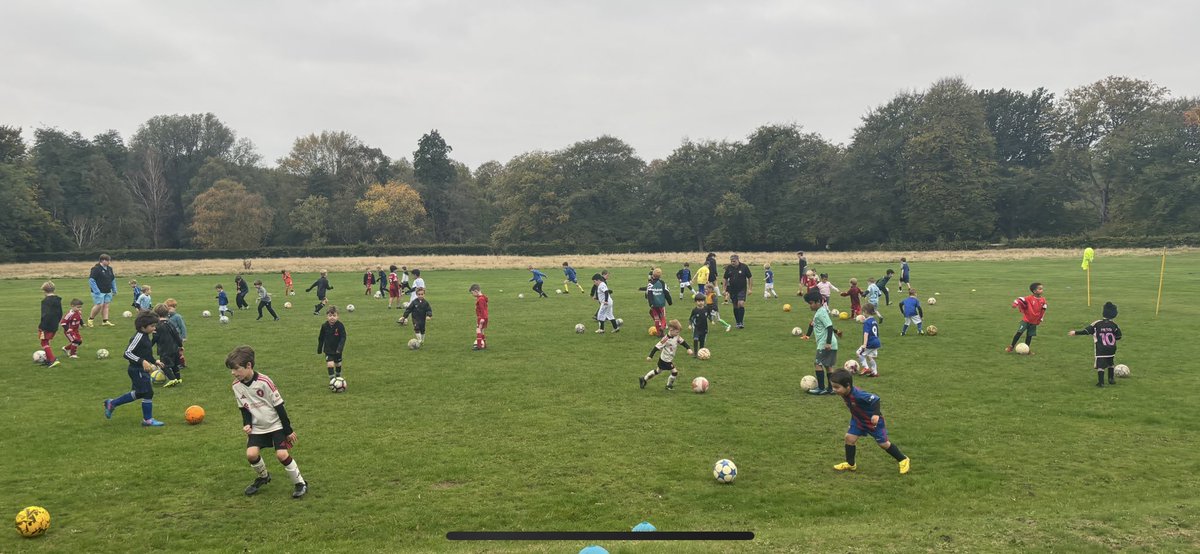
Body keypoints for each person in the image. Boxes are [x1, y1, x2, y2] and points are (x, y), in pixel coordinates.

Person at [227, 345, 308, 498]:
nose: (233, 373)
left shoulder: (265, 382)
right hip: (258, 427)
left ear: (249, 366)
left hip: (276, 425)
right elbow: (244, 408)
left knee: (282, 455)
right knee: (251, 455)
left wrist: (288, 430)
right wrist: (248, 424)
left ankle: (300, 483)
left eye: (236, 369)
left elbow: (280, 407)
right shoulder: (236, 386)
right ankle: (264, 477)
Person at [829, 369, 911, 475]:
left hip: (873, 422)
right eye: (833, 386)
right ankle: (850, 464)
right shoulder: (845, 393)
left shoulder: (859, 394)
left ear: (847, 386)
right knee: (849, 438)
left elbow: (875, 399)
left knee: (883, 444)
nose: (834, 390)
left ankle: (903, 459)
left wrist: (876, 414)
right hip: (858, 421)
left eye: (837, 387)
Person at [103, 312, 166, 426]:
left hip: (141, 370)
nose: (154, 328)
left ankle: (112, 403)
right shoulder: (138, 337)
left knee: (140, 393)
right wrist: (142, 361)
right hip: (136, 370)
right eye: (152, 326)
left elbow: (145, 353)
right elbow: (127, 353)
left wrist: (154, 361)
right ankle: (147, 420)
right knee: (148, 393)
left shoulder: (145, 336)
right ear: (143, 327)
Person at [1069, 301, 1122, 387]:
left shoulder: (1097, 323)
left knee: (1100, 365)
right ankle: (1111, 379)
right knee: (1110, 363)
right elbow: (1119, 336)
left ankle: (1101, 383)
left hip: (1101, 349)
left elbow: (1086, 331)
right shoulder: (1114, 325)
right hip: (1112, 349)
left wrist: (1075, 332)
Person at [802, 290, 840, 395]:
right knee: (828, 365)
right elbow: (812, 324)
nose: (810, 306)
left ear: (818, 302)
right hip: (830, 343)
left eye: (811, 303)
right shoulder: (819, 312)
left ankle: (821, 388)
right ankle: (831, 388)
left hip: (825, 343)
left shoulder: (822, 312)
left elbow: (829, 326)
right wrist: (807, 335)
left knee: (817, 363)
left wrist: (827, 343)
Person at [640, 319, 693, 390]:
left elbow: (683, 342)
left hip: (667, 359)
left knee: (658, 371)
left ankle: (644, 379)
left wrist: (688, 348)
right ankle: (669, 386)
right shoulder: (665, 339)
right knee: (674, 372)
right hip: (665, 360)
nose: (678, 333)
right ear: (671, 330)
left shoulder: (676, 336)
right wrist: (650, 356)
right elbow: (656, 347)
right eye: (677, 332)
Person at [1008, 282, 1047, 353]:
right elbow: (1019, 299)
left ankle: (1027, 350)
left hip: (1034, 321)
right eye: (1040, 289)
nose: (1042, 290)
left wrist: (1040, 318)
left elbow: (1043, 309)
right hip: (1026, 320)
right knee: (1019, 332)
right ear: (1034, 291)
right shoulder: (1029, 298)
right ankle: (1011, 346)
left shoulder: (1043, 300)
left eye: (1042, 289)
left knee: (1029, 336)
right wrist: (1015, 304)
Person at [152, 304, 184, 387]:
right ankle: (178, 378)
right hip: (174, 348)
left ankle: (172, 379)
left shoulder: (157, 326)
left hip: (164, 349)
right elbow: (176, 335)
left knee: (163, 365)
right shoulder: (170, 323)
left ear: (156, 314)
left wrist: (149, 345)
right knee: (175, 365)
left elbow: (155, 337)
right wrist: (180, 345)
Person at [722, 254, 753, 328]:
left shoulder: (744, 267)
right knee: (735, 305)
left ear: (738, 260)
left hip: (742, 289)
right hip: (732, 290)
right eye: (731, 261)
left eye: (734, 261)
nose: (732, 263)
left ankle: (741, 322)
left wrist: (750, 289)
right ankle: (737, 322)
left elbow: (750, 277)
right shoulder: (729, 268)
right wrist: (724, 289)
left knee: (741, 303)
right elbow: (725, 278)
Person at [87, 253, 117, 328]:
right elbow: (91, 280)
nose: (109, 262)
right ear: (103, 260)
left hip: (107, 290)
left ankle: (105, 321)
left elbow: (112, 279)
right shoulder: (96, 269)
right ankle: (90, 319)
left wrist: (114, 289)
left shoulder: (110, 269)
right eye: (108, 260)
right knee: (99, 305)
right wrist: (96, 290)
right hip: (98, 292)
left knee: (106, 305)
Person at [317, 306, 347, 380]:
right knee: (330, 364)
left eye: (334, 316)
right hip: (328, 349)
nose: (332, 317)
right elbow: (321, 338)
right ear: (327, 316)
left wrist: (340, 348)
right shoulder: (324, 326)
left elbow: (343, 337)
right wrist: (319, 348)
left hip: (337, 349)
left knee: (338, 364)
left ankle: (338, 376)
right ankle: (332, 381)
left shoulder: (340, 325)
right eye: (330, 316)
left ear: (337, 316)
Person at [38, 281, 63, 368]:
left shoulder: (45, 301)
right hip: (54, 324)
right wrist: (57, 322)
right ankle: (48, 360)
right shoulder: (58, 300)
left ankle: (52, 360)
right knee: (47, 341)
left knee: (44, 342)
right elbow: (60, 313)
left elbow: (45, 314)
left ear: (44, 291)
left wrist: (42, 326)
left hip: (46, 325)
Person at [644, 268, 672, 335]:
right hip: (661, 304)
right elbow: (666, 293)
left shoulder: (650, 284)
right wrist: (669, 301)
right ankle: (662, 327)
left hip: (654, 304)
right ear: (660, 276)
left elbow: (649, 294)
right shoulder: (663, 283)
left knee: (656, 318)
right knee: (662, 317)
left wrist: (650, 303)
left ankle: (659, 333)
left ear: (652, 276)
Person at [856, 304, 882, 377]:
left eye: (863, 312)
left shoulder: (867, 322)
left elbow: (866, 334)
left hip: (870, 342)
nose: (863, 314)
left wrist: (864, 344)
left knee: (859, 353)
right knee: (870, 356)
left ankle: (866, 368)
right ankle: (875, 372)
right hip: (877, 342)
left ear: (866, 312)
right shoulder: (873, 320)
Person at [165, 298, 187, 367]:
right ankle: (173, 363)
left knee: (179, 351)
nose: (170, 309)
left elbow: (182, 327)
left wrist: (183, 337)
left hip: (178, 337)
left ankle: (182, 364)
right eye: (168, 308)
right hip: (169, 338)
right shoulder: (165, 317)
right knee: (171, 351)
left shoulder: (177, 317)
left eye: (172, 307)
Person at [471, 284, 489, 350]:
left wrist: (482, 319)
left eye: (472, 293)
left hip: (481, 317)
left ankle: (479, 346)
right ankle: (484, 345)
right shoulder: (483, 297)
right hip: (485, 317)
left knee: (478, 330)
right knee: (482, 331)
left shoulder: (481, 299)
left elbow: (482, 310)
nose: (472, 295)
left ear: (476, 291)